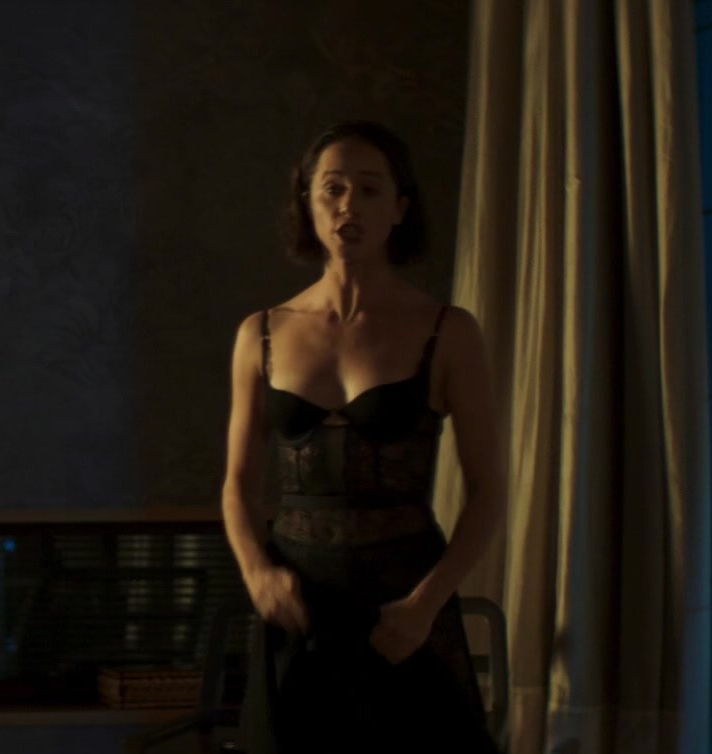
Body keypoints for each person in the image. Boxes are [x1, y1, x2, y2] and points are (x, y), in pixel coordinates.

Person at [221, 121, 503, 754]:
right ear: (308, 203)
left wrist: (426, 606)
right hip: (299, 605)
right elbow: (238, 484)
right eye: (333, 188)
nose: (349, 204)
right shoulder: (260, 333)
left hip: (404, 609)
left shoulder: (448, 331)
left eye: (369, 189)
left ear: (399, 208)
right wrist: (258, 574)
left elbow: (487, 492)